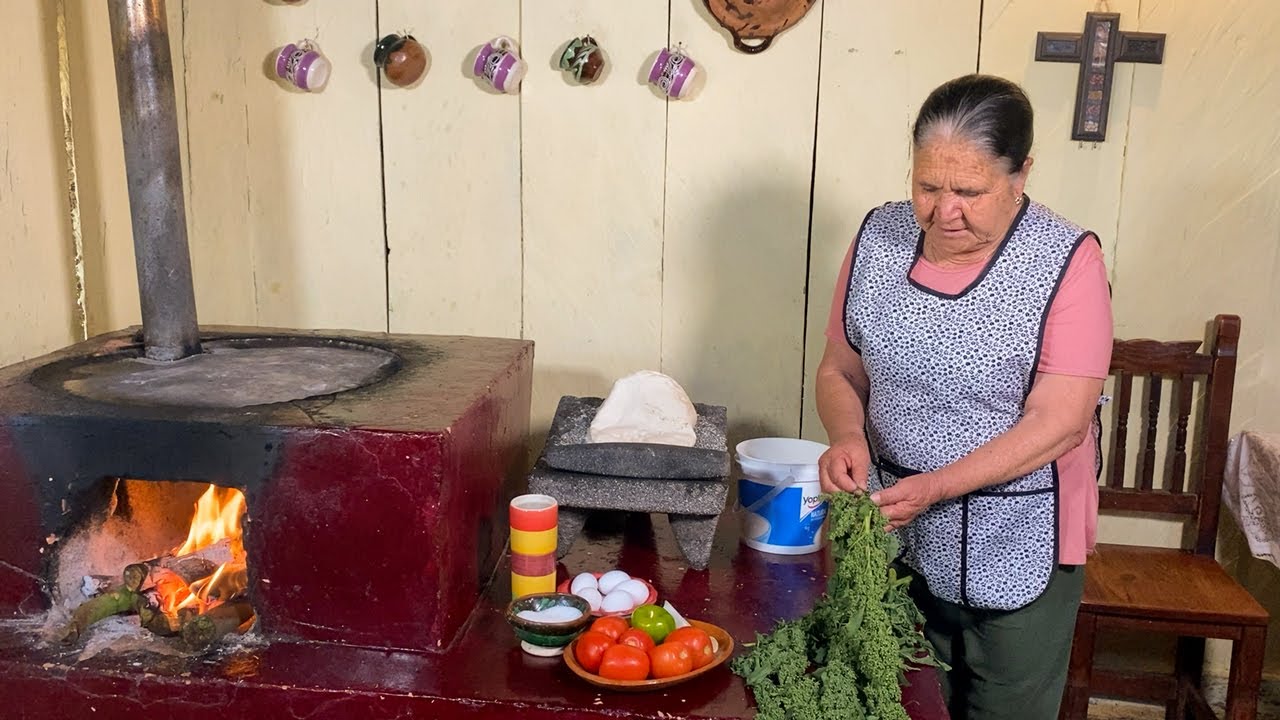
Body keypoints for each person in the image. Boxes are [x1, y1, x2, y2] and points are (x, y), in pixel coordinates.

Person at [815, 74, 1113, 720]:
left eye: (969, 191)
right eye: (927, 186)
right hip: (899, 540)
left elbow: (1060, 422)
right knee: (904, 704)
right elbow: (840, 369)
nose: (943, 211)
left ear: (1020, 174)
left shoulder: (1067, 262)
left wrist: (937, 486)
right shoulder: (878, 239)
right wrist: (846, 437)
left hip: (1018, 544)